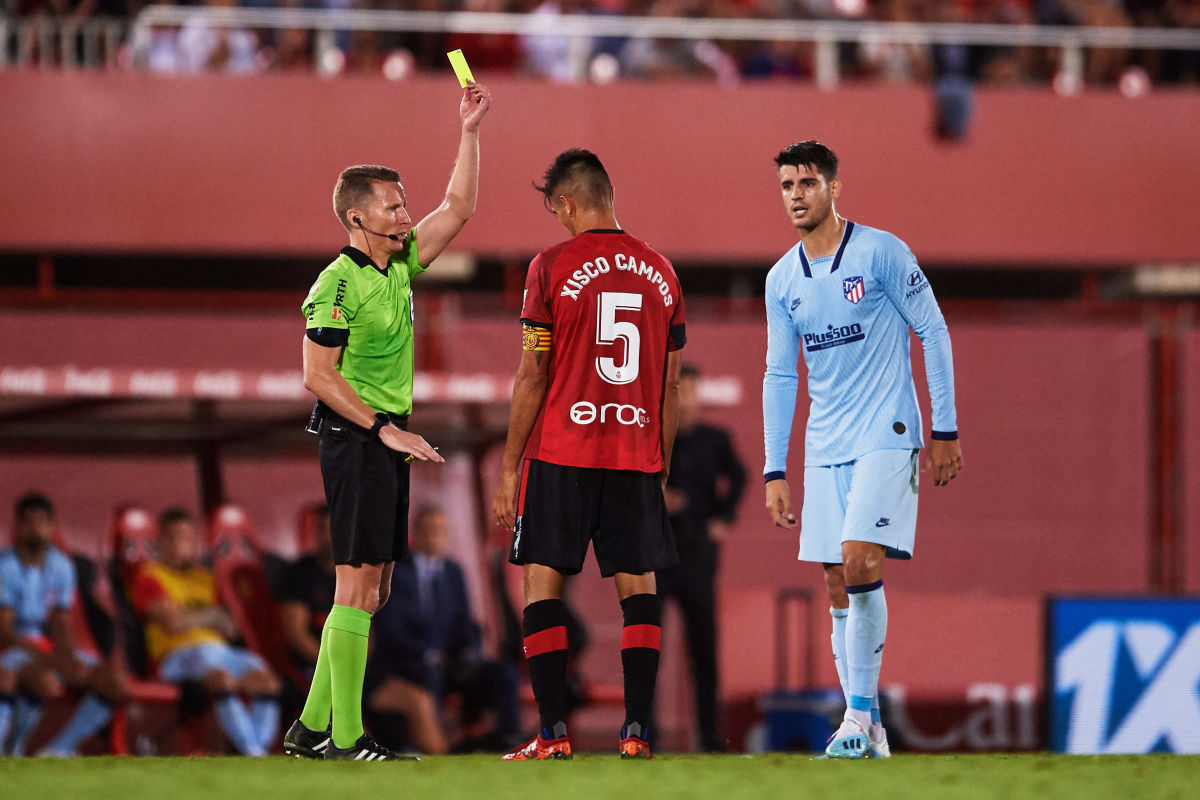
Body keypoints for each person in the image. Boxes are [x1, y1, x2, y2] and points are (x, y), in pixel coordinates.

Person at [284, 78, 492, 763]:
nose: (405, 216)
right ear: (355, 219)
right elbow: (317, 375)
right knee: (356, 585)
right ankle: (345, 739)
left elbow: (459, 205)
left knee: (374, 589)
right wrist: (381, 427)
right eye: (392, 207)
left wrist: (468, 130)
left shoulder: (399, 266)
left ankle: (312, 727)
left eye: (404, 205)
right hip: (356, 438)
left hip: (382, 438)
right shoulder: (336, 282)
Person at [761, 141, 963, 759]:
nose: (797, 194)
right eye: (788, 184)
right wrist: (775, 468)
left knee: (859, 562)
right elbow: (781, 374)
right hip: (824, 444)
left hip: (887, 433)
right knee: (834, 581)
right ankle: (869, 731)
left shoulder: (881, 253)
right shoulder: (781, 279)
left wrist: (945, 429)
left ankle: (854, 715)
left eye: (808, 183)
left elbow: (931, 329)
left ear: (834, 188)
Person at [491, 148, 687, 760]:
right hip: (633, 453)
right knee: (640, 590)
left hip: (562, 454)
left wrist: (507, 468)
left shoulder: (548, 268)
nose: (557, 221)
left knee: (541, 585)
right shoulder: (663, 271)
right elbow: (669, 386)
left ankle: (551, 734)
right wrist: (661, 463)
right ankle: (636, 734)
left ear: (569, 202)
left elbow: (532, 374)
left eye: (556, 210)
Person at [365, 505, 520, 755]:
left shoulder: (453, 572)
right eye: (429, 531)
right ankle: (434, 746)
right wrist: (428, 653)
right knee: (430, 670)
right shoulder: (395, 572)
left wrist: (470, 650)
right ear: (415, 533)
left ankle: (509, 741)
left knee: (503, 673)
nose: (434, 537)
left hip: (448, 662)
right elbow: (390, 627)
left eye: (440, 531)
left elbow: (464, 622)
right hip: (406, 664)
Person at [130, 508, 281, 757]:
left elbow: (230, 626)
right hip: (177, 655)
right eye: (175, 537)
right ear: (161, 541)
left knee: (268, 682)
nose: (182, 544)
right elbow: (172, 624)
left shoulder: (205, 578)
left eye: (188, 538)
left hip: (219, 650)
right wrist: (210, 616)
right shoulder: (149, 575)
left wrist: (197, 618)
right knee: (220, 678)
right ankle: (254, 753)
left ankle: (257, 748)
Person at [657, 364, 746, 752]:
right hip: (655, 554)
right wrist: (654, 500)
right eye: (680, 391)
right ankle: (642, 735)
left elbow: (740, 478)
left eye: (693, 392)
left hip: (696, 556)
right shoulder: (653, 437)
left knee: (704, 648)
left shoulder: (715, 439)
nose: (687, 400)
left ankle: (710, 738)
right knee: (646, 645)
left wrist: (722, 519)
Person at [0, 493, 127, 757]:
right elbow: (5, 635)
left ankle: (58, 750)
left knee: (113, 681)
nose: (37, 529)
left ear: (52, 527)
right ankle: (12, 750)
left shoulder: (60, 565)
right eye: (30, 522)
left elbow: (61, 622)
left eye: (43, 522)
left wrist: (67, 657)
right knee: (41, 680)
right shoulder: (6, 566)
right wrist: (53, 661)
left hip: (48, 649)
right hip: (14, 650)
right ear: (19, 527)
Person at [277, 506, 336, 680]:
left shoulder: (358, 574)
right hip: (313, 668)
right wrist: (332, 667)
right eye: (322, 529)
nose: (328, 537)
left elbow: (369, 632)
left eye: (335, 529)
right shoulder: (299, 574)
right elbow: (296, 635)